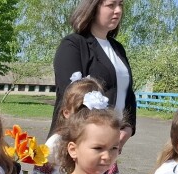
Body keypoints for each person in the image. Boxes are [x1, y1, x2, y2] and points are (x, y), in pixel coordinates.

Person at [51, 0, 135, 158]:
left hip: (108, 146)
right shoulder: (73, 44)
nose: (118, 10)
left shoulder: (118, 49)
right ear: (93, 8)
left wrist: (128, 128)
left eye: (121, 5)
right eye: (111, 5)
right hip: (75, 144)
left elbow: (128, 94)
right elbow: (72, 97)